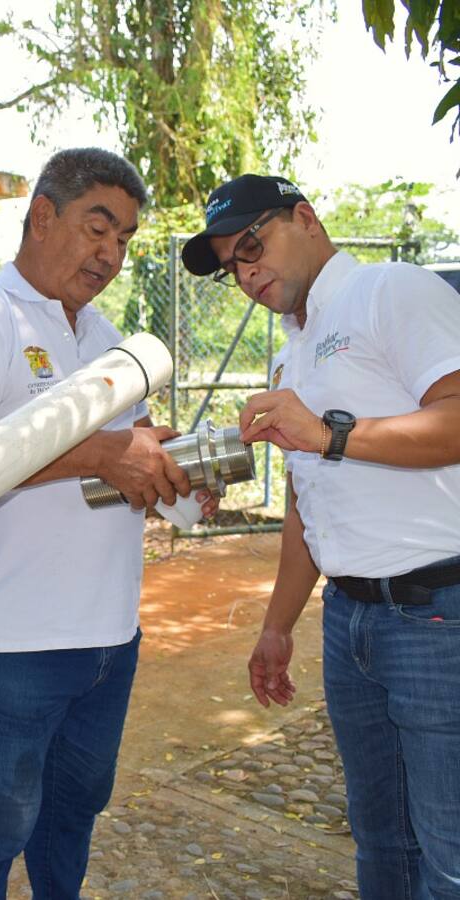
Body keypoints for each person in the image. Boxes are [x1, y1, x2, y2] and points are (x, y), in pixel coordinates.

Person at [0, 147, 215, 898]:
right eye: (97, 228)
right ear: (43, 215)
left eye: (124, 239)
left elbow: (130, 460)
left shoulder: (111, 336)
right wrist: (106, 452)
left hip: (110, 636)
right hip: (14, 642)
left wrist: (185, 473)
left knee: (72, 818)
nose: (111, 253)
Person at [182, 173, 460, 898]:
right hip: (350, 618)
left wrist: (332, 433)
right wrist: (277, 628)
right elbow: (310, 502)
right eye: (231, 266)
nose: (246, 272)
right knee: (380, 838)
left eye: (252, 244)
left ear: (304, 217)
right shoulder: (292, 349)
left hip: (437, 614)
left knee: (450, 852)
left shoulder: (389, 291)